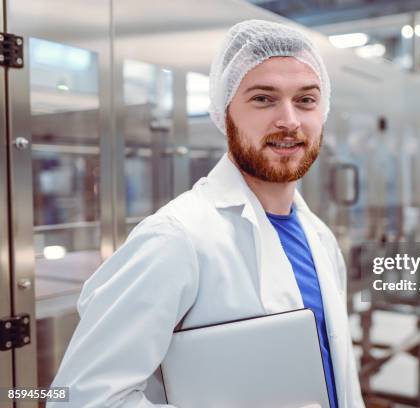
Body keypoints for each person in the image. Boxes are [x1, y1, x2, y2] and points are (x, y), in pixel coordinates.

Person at [49, 19, 365, 408]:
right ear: (224, 112)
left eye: (306, 100)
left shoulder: (319, 238)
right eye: (263, 98)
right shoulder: (175, 238)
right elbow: (81, 399)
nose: (289, 120)